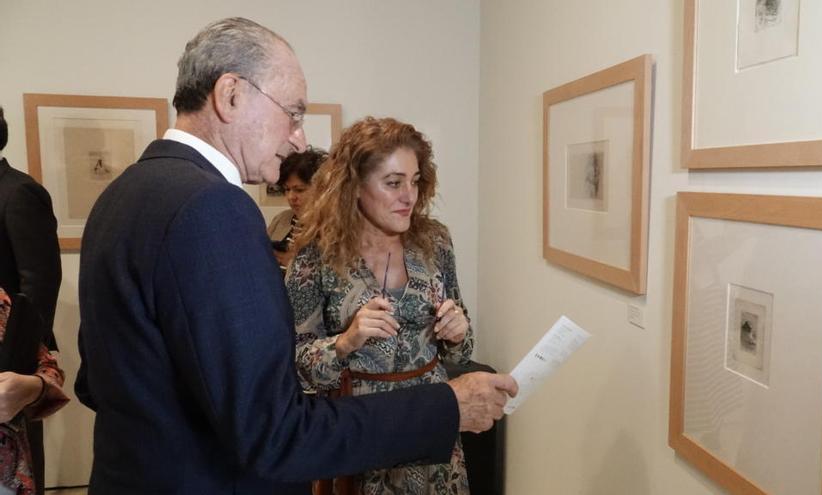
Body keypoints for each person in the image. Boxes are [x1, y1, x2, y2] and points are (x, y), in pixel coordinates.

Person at [74, 17, 517, 495]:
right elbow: (274, 432)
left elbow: (95, 384)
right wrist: (447, 406)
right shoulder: (214, 209)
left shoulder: (123, 193)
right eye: (294, 112)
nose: (299, 140)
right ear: (231, 95)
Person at [288, 116, 476, 494]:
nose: (410, 195)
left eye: (415, 180)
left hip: (431, 425)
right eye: (393, 183)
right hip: (359, 431)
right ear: (354, 186)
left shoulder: (435, 242)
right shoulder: (315, 257)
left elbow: (463, 350)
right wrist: (345, 341)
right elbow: (295, 369)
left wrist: (458, 332)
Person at [0, 105, 66, 495]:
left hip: (13, 365)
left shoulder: (18, 191)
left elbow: (39, 285)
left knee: (18, 472)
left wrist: (20, 371)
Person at [267, 146, 327, 270]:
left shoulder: (334, 227)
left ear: (322, 189)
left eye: (299, 190)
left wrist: (295, 267)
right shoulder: (281, 219)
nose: (290, 197)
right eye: (287, 189)